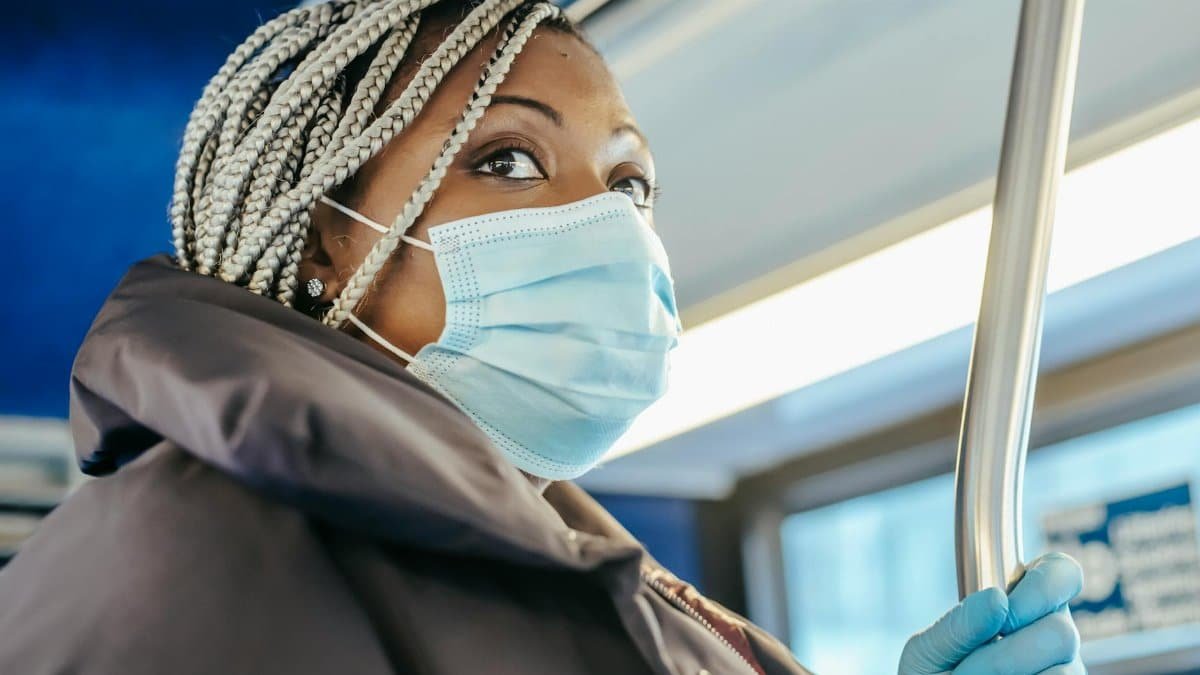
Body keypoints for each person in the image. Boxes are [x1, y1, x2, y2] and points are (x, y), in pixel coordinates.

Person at [0, 1, 1086, 673]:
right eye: (510, 160)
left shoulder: (570, 570)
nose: (604, 222)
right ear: (329, 239)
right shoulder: (190, 548)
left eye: (630, 183)